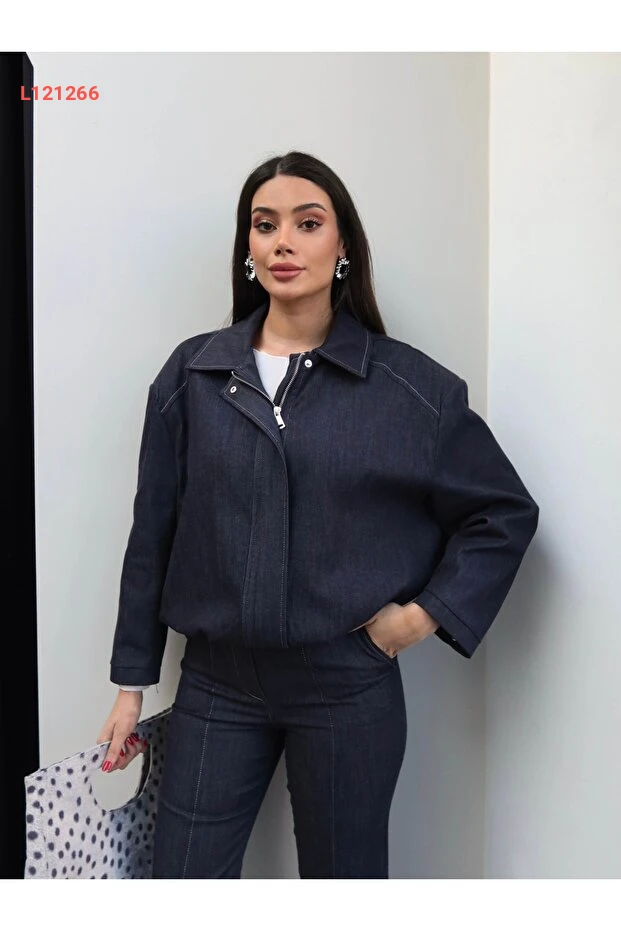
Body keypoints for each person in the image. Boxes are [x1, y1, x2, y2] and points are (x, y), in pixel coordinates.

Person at [96, 150, 540, 879]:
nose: (283, 242)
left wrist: (417, 618)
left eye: (307, 223)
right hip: (217, 684)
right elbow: (154, 533)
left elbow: (502, 512)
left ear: (343, 247)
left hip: (347, 684)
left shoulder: (409, 390)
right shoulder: (193, 376)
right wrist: (129, 685)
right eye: (264, 224)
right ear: (247, 248)